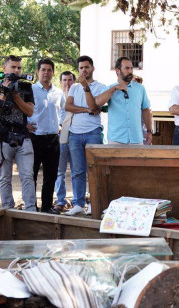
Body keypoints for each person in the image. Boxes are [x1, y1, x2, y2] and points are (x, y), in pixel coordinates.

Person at [0, 55, 37, 212]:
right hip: (1, 138)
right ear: (4, 69)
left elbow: (29, 111)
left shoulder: (26, 87)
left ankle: (31, 210)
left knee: (28, 176)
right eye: (13, 67)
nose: (16, 70)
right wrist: (4, 91)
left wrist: (15, 96)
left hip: (23, 137)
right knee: (4, 177)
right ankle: (8, 210)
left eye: (19, 67)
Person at [64, 56, 106, 216]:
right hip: (75, 134)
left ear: (92, 68)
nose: (83, 70)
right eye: (81, 68)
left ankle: (95, 204)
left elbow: (94, 106)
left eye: (86, 67)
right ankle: (78, 204)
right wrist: (84, 110)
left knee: (94, 170)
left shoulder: (100, 87)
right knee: (77, 171)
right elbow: (68, 106)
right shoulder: (74, 87)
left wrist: (86, 88)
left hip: (93, 133)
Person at [30, 58, 64, 214]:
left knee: (51, 176)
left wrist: (61, 124)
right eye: (43, 69)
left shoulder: (58, 92)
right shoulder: (30, 90)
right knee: (32, 175)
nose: (46, 73)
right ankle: (31, 206)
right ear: (37, 72)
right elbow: (24, 110)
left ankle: (47, 207)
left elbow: (64, 110)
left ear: (53, 72)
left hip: (53, 139)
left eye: (49, 70)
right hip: (35, 138)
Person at [94, 56, 153, 145]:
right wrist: (114, 89)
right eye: (127, 68)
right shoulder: (110, 89)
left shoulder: (140, 88)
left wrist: (149, 131)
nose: (130, 71)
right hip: (116, 140)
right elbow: (98, 102)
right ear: (118, 71)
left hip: (136, 139)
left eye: (131, 68)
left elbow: (146, 110)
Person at [54, 71, 75, 213]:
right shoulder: (55, 96)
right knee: (60, 171)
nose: (67, 83)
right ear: (60, 81)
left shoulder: (78, 96)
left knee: (77, 171)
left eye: (70, 80)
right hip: (61, 137)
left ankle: (77, 201)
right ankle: (60, 200)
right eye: (64, 80)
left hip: (75, 136)